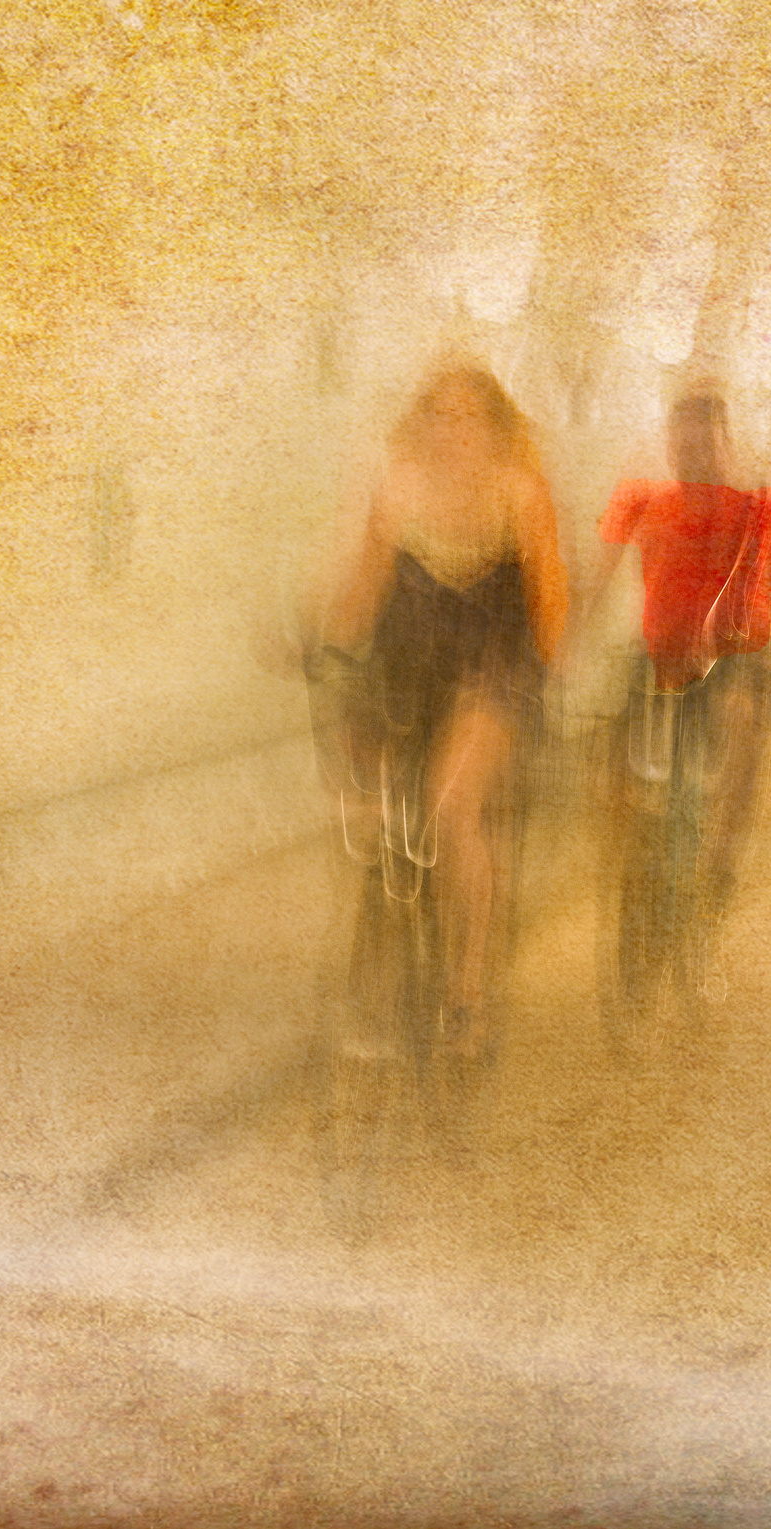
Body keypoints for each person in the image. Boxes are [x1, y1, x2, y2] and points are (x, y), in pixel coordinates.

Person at [318, 361, 569, 1059]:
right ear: (420, 424)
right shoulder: (398, 487)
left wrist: (550, 658)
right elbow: (366, 587)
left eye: (468, 417)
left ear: (494, 428)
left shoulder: (520, 491)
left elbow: (548, 594)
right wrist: (327, 644)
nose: (452, 429)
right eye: (440, 414)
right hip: (407, 664)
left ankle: (466, 992)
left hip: (492, 669)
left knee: (452, 806)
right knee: (370, 806)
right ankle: (376, 964)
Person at [592, 389, 771, 931]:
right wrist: (571, 641)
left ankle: (721, 861)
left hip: (733, 654)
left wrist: (758, 634)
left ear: (724, 445)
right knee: (608, 752)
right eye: (683, 445)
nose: (693, 455)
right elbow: (598, 573)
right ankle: (628, 863)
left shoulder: (757, 508)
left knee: (743, 720)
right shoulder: (644, 500)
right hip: (661, 653)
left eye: (705, 444)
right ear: (670, 446)